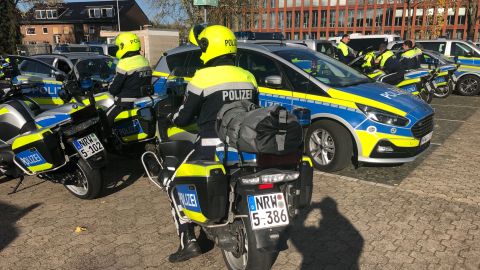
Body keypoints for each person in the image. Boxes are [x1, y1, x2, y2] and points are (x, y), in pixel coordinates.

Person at [166, 24, 258, 263]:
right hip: (245, 146)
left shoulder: (202, 77)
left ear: (208, 46)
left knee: (173, 181)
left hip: (212, 145)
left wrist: (170, 117)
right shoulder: (248, 76)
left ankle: (189, 241)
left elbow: (185, 117)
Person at [105, 32, 151, 127]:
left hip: (125, 104)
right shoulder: (144, 60)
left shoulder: (124, 63)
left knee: (104, 120)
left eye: (118, 46)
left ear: (123, 46)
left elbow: (114, 89)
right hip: (142, 102)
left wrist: (109, 86)